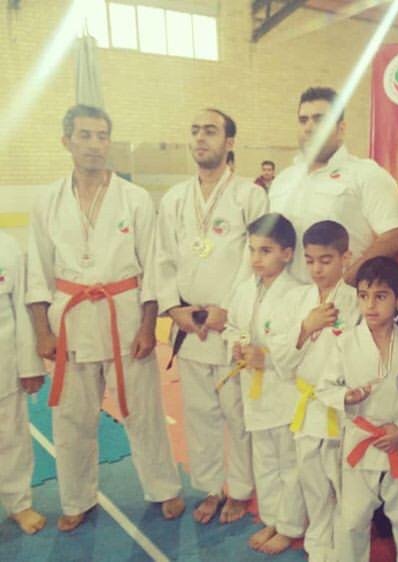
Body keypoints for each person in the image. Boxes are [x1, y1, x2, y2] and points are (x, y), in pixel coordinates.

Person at [26, 104, 184, 531]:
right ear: (66, 141)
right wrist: (42, 331)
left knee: (143, 410)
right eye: (85, 135)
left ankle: (163, 487)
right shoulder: (47, 201)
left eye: (101, 136)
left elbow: (152, 266)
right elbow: (38, 270)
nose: (94, 144)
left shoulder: (134, 198)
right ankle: (77, 497)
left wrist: (149, 325)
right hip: (71, 319)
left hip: (125, 317)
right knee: (71, 418)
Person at [155, 108, 267, 524]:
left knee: (237, 413)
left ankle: (239, 489)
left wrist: (229, 311)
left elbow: (255, 258)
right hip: (189, 326)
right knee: (199, 415)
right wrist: (175, 309)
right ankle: (210, 487)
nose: (201, 138)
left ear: (229, 142)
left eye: (211, 131)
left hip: (230, 323)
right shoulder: (174, 199)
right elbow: (162, 258)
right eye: (195, 131)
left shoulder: (250, 196)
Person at [317, 256, 398, 562]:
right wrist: (346, 396)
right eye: (363, 296)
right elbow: (324, 387)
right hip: (361, 443)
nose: (370, 305)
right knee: (352, 520)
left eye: (380, 296)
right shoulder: (346, 342)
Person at [269, 220, 359, 562]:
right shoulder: (297, 300)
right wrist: (306, 327)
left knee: (345, 490)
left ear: (345, 257)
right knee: (314, 487)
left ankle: (344, 554)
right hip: (307, 408)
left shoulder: (355, 301)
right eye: (309, 260)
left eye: (325, 260)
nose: (317, 269)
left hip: (341, 409)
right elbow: (281, 356)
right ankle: (317, 550)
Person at [223, 213, 306, 554]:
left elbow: (301, 344)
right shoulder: (243, 290)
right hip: (254, 392)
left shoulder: (299, 294)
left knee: (290, 464)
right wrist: (236, 345)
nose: (256, 258)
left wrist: (267, 357)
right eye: (252, 249)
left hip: (284, 393)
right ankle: (271, 518)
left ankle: (290, 526)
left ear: (287, 254)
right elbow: (231, 326)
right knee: (265, 462)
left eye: (266, 250)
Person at [269, 86, 398, 285]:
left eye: (319, 119)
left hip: (343, 298)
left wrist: (346, 282)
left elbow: (397, 236)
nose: (309, 127)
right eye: (303, 120)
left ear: (341, 128)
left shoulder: (366, 174)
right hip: (289, 298)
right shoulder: (282, 180)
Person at [0, 231, 46, 534]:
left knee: (11, 437)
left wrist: (30, 366)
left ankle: (19, 503)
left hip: (3, 364)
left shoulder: (6, 246)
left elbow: (22, 309)